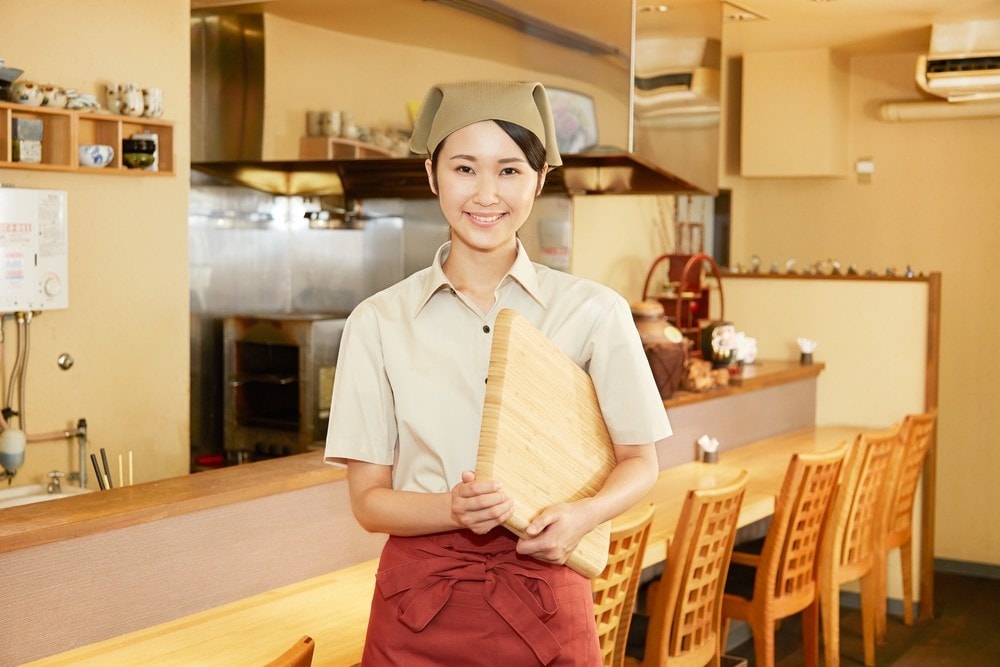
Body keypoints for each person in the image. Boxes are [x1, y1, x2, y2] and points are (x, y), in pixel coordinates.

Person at [325, 80, 672, 666]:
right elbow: (368, 503)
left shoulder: (594, 312)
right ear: (433, 175)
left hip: (544, 595)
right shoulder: (378, 322)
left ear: (539, 180)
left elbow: (641, 461)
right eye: (465, 168)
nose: (486, 194)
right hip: (416, 607)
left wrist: (583, 516)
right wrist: (452, 510)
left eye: (510, 171)